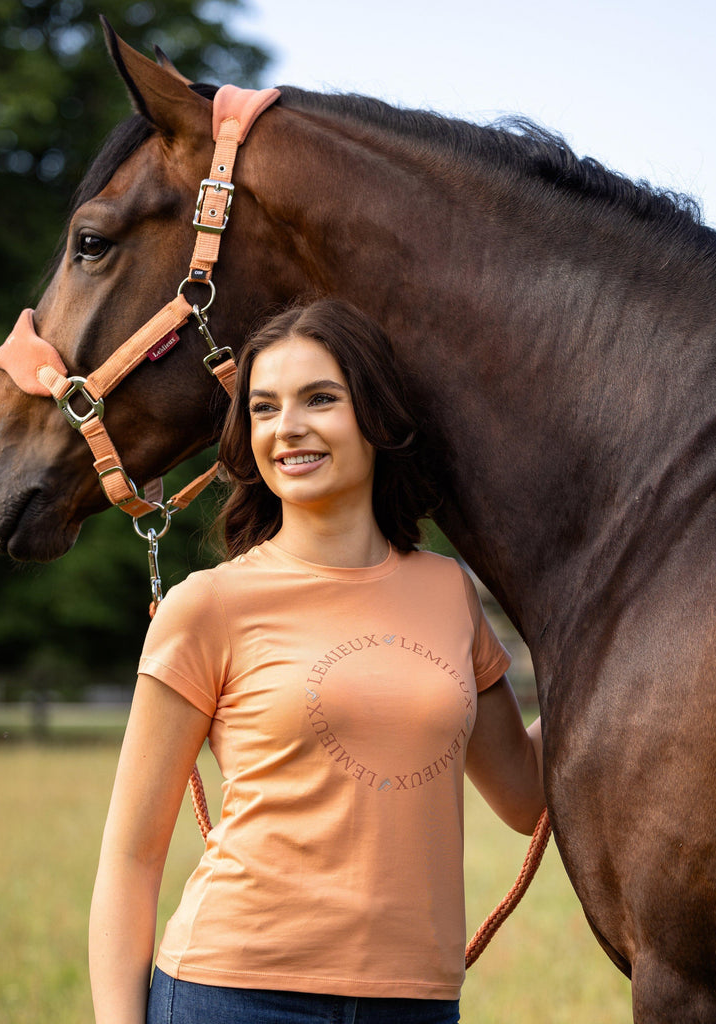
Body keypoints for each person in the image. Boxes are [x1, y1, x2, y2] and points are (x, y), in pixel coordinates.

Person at [88, 299, 544, 1024]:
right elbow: (132, 857)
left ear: (376, 416)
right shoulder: (208, 605)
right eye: (264, 408)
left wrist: (617, 658)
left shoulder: (448, 590)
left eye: (320, 399)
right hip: (233, 994)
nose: (287, 427)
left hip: (415, 1005)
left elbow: (524, 796)